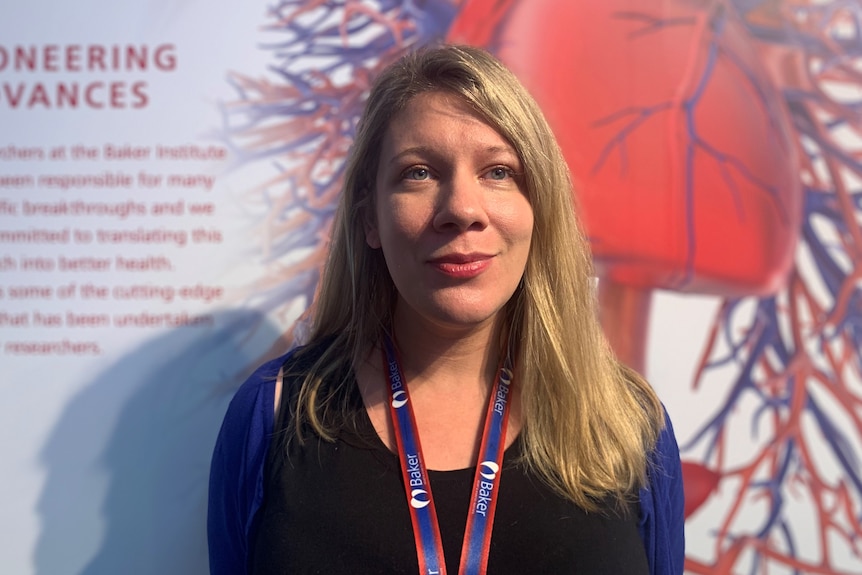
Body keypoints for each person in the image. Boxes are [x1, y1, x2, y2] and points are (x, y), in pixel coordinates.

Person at [208, 44, 685, 574]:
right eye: (419, 172)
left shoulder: (626, 426)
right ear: (369, 219)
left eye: (499, 172)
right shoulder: (272, 416)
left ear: (540, 207)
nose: (461, 208)